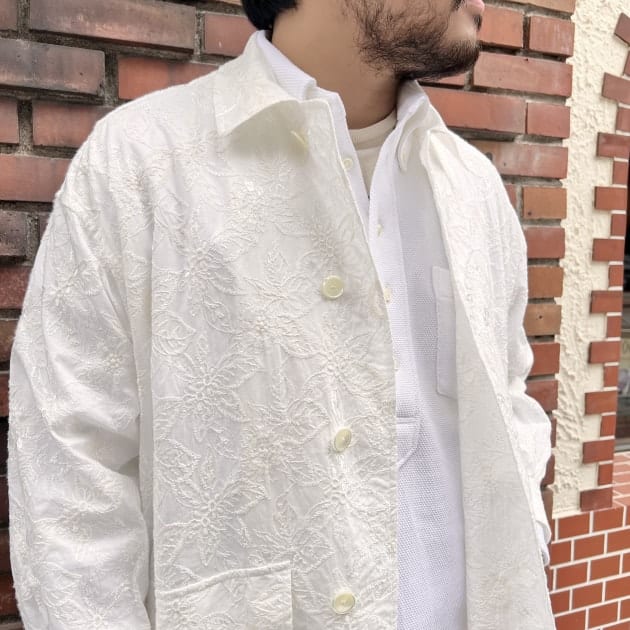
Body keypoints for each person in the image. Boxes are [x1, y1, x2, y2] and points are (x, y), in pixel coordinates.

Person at [7, 0, 555, 628]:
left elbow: (508, 395)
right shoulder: (141, 165)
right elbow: (69, 475)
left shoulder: (472, 186)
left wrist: (527, 536)